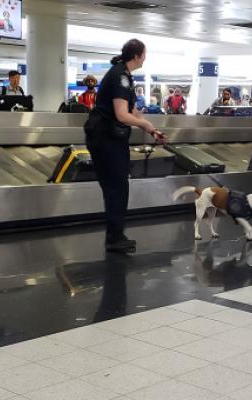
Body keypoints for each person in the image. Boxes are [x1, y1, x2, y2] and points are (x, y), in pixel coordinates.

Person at [86, 39, 167, 253]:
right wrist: (146, 124)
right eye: (145, 54)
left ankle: (116, 234)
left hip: (112, 138)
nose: (146, 58)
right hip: (105, 138)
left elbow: (132, 112)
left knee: (119, 185)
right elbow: (122, 115)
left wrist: (152, 130)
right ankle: (114, 237)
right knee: (116, 186)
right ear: (137, 56)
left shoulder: (125, 75)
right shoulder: (120, 76)